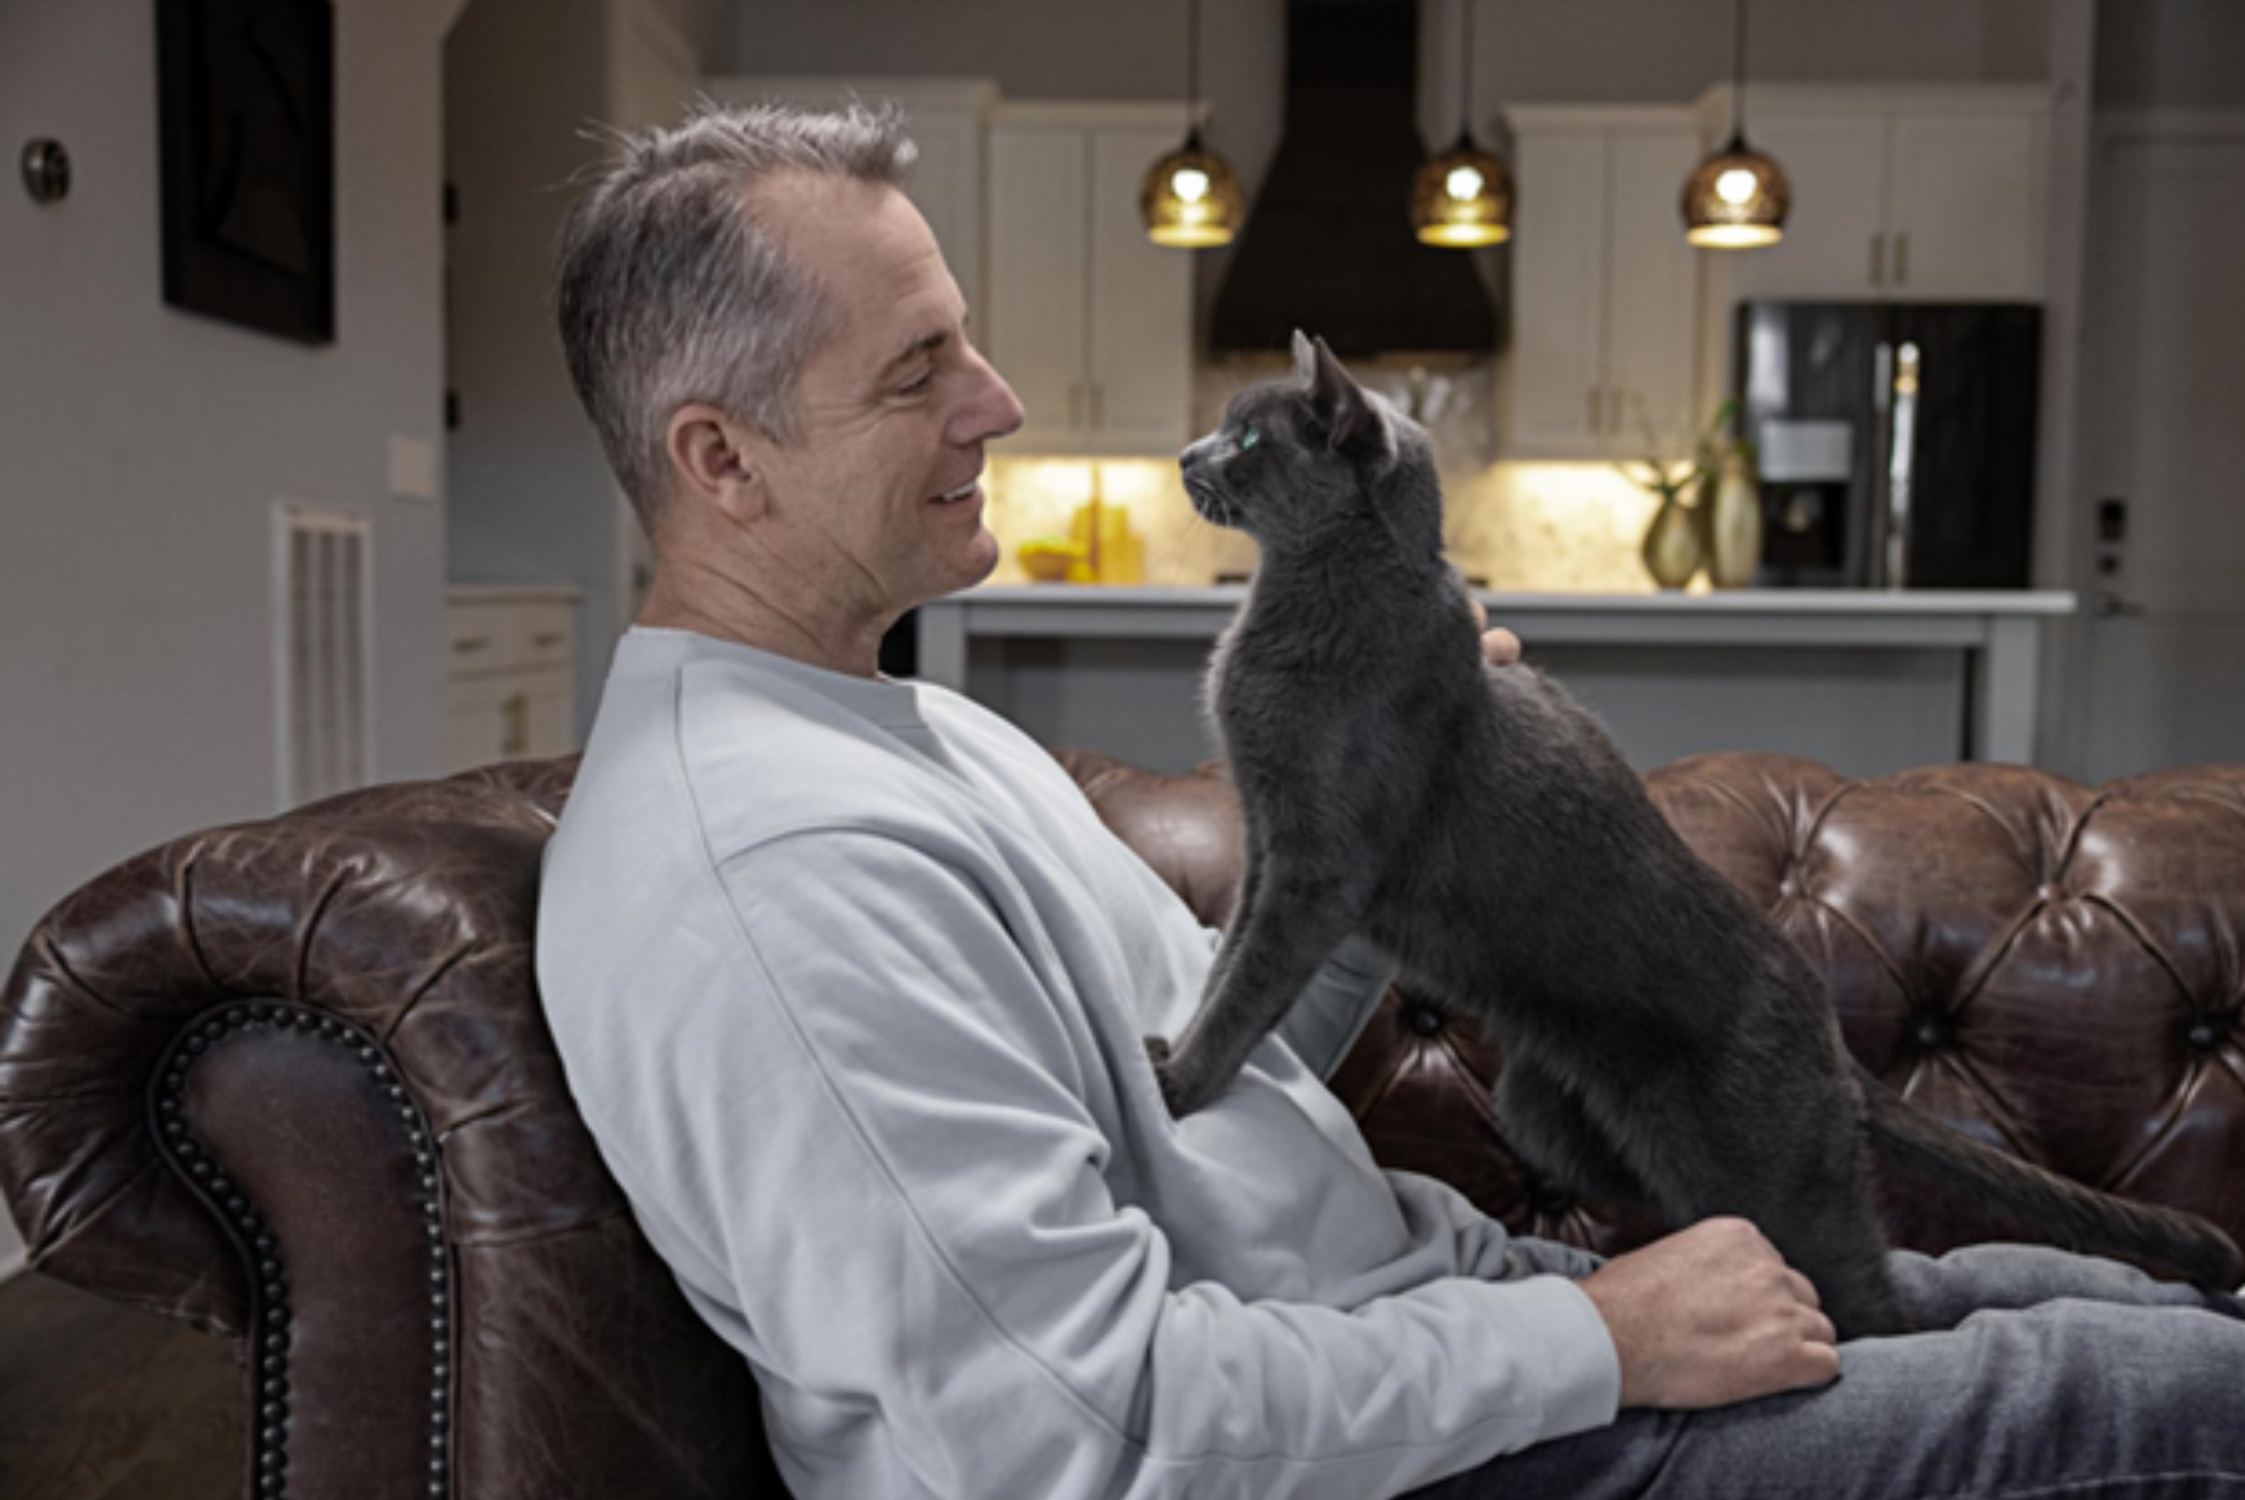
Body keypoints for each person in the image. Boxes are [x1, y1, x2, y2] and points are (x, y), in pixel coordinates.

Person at [536, 102, 2244, 1500]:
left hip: (1427, 1347)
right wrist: (1606, 1344)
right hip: (1417, 1450)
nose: (1002, 400)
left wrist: (1399, 821)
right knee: (2159, 1396)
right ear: (722, 460)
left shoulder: (907, 729)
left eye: (964, 337)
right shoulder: (776, 875)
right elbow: (1067, 1432)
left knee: (2054, 1289)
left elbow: (1208, 1097)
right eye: (919, 371)